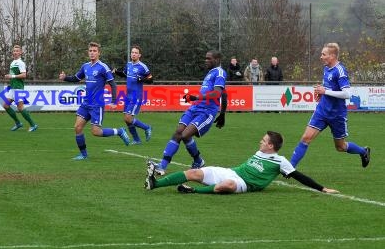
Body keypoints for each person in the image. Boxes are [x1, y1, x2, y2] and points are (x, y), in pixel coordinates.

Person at [145, 131, 339, 195]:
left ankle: (192, 191)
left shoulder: (280, 161)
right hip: (232, 171)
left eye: (263, 140)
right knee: (194, 172)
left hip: (242, 184)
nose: (260, 142)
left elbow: (299, 176)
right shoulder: (259, 152)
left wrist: (322, 188)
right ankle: (155, 183)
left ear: (271, 146)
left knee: (226, 186)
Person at [290, 43, 370, 168]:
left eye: (324, 54)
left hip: (337, 115)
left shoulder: (340, 71)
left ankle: (363, 151)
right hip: (322, 111)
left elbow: (347, 94)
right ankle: (289, 168)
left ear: (332, 56)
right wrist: (321, 93)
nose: (321, 57)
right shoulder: (326, 68)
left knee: (340, 147)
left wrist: (325, 91)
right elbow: (328, 86)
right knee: (305, 138)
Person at [153, 50, 227, 175]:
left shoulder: (220, 72)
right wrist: (223, 113)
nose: (206, 60)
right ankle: (162, 166)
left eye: (209, 59)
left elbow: (217, 93)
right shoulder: (211, 73)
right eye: (206, 58)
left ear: (217, 59)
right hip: (195, 108)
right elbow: (224, 94)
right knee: (178, 133)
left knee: (185, 135)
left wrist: (196, 98)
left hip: (206, 111)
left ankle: (198, 160)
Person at [59, 42, 131, 160]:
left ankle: (119, 131)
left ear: (99, 53)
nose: (92, 53)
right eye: (90, 51)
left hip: (97, 104)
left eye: (94, 51)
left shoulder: (103, 67)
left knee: (96, 132)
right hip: (86, 103)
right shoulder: (85, 66)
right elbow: (76, 78)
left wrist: (114, 100)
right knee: (77, 127)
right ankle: (83, 155)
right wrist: (65, 78)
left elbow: (113, 84)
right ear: (88, 52)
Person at [112, 45, 153, 144]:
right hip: (128, 96)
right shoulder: (129, 64)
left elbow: (151, 79)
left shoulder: (142, 66)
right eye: (132, 52)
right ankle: (136, 139)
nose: (133, 54)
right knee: (126, 120)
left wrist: (142, 79)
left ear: (139, 55)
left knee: (128, 118)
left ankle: (147, 127)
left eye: (135, 53)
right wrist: (116, 71)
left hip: (136, 96)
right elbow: (124, 74)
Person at [1, 45, 38, 132]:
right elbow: (13, 75)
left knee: (20, 108)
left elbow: (24, 75)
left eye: (17, 51)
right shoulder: (13, 62)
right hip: (13, 88)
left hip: (19, 88)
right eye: (14, 51)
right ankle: (18, 123)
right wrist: (10, 77)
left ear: (20, 52)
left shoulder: (20, 63)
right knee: (5, 105)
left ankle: (33, 125)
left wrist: (12, 76)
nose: (15, 52)